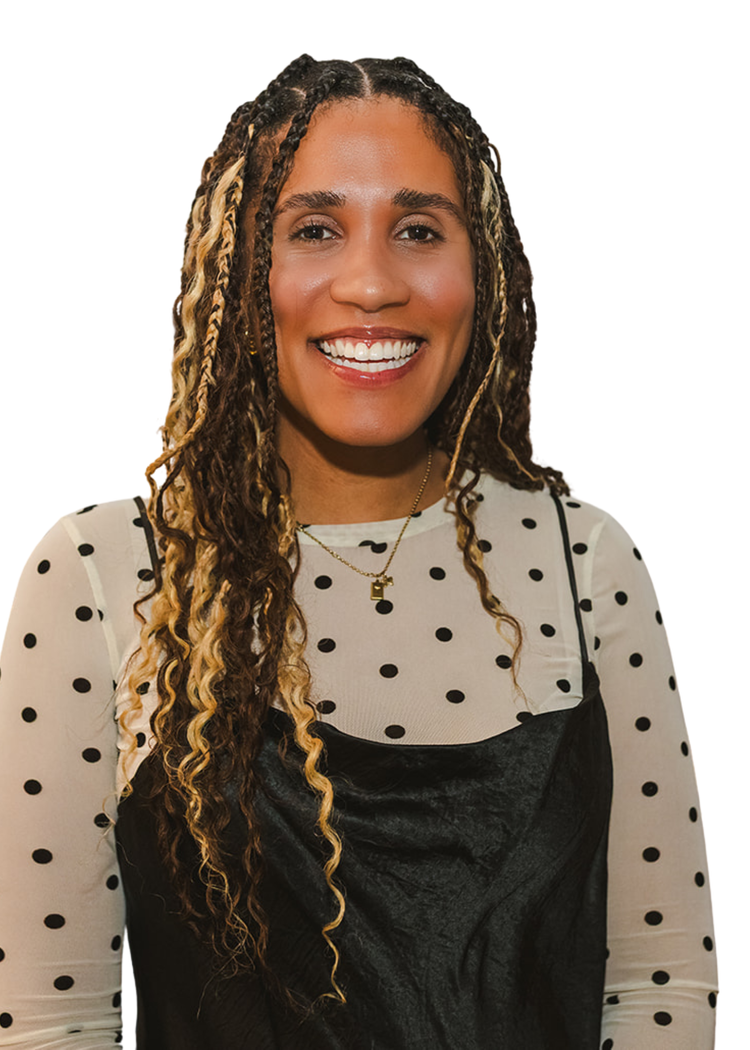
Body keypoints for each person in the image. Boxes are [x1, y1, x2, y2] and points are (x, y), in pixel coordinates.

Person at [0, 55, 717, 1049]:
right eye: (314, 231)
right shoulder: (105, 574)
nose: (372, 282)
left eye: (419, 230)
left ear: (485, 270)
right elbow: (49, 1021)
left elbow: (660, 986)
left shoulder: (584, 565)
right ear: (243, 276)